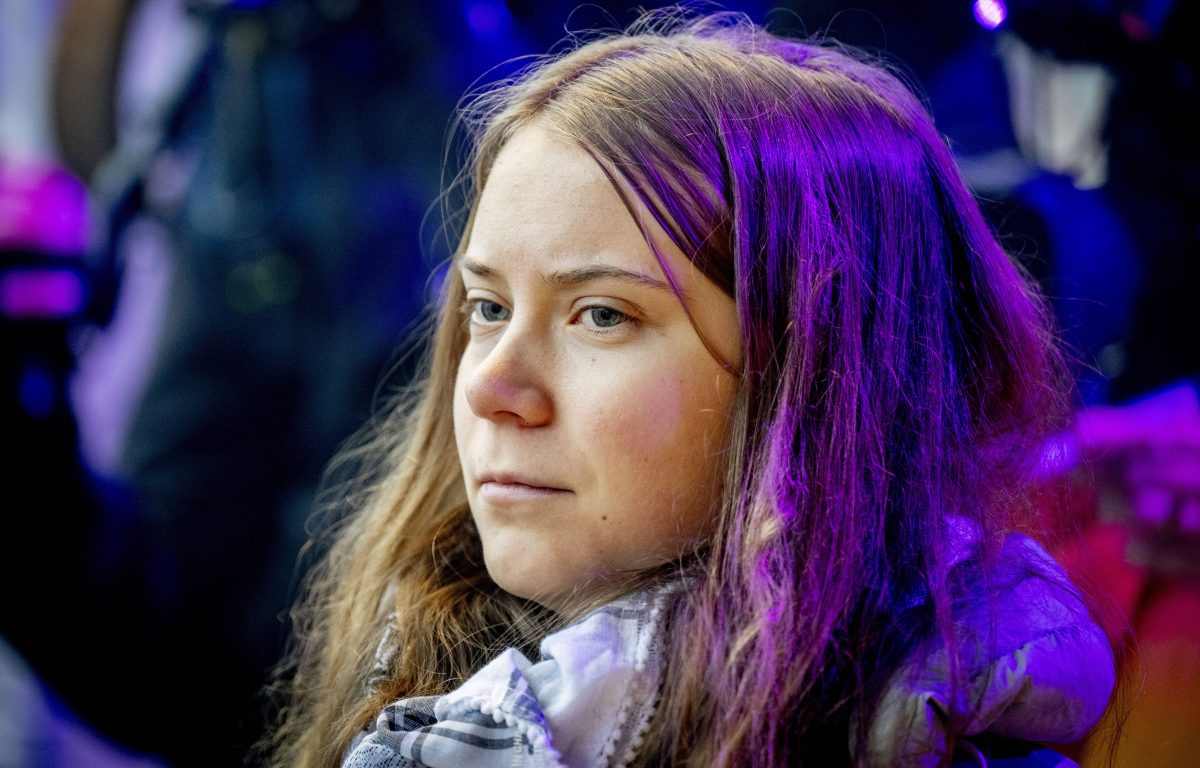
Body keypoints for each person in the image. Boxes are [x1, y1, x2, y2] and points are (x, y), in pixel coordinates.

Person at [262, 12, 1116, 768]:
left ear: (814, 379)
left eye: (601, 316)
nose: (490, 387)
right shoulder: (418, 695)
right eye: (488, 306)